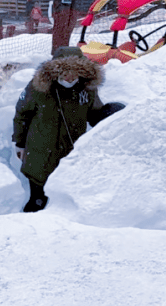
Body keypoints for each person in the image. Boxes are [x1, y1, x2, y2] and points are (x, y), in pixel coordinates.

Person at [13, 46, 124, 212]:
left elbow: (94, 114)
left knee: (63, 199)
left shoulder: (86, 89)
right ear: (55, 71)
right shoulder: (39, 88)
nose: (70, 76)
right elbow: (22, 114)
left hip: (70, 148)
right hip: (40, 150)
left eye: (75, 71)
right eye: (65, 71)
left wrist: (110, 116)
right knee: (38, 197)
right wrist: (20, 143)